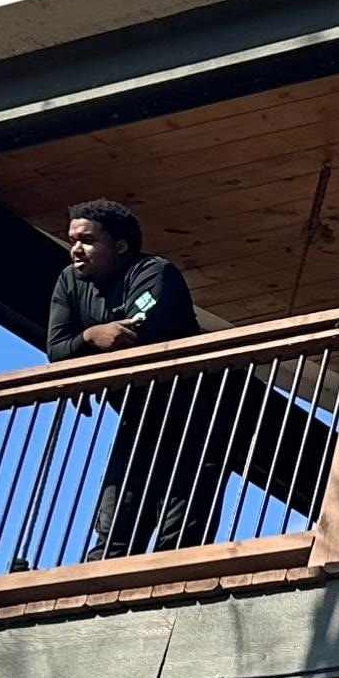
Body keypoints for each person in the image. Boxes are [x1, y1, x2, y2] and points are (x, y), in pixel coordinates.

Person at [46, 200, 219, 558]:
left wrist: (87, 362)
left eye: (88, 240)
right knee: (114, 527)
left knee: (180, 526)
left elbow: (130, 336)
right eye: (73, 240)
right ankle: (99, 585)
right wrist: (91, 336)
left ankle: (173, 581)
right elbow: (57, 350)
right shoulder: (69, 281)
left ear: (120, 246)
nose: (76, 249)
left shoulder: (156, 272)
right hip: (137, 417)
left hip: (192, 414)